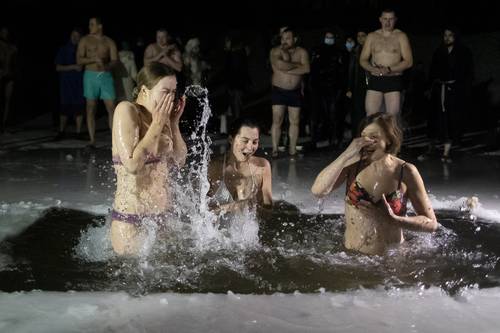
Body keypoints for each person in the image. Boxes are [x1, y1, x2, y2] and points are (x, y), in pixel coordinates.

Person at [311, 112, 437, 255]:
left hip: (391, 258)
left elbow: (431, 223)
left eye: (374, 137)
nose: (367, 142)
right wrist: (346, 154)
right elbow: (318, 191)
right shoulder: (352, 165)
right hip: (352, 258)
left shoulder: (405, 171)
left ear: (389, 139)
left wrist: (395, 220)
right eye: (364, 136)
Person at [110, 62, 187, 255]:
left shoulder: (163, 117)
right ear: (144, 90)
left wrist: (174, 124)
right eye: (165, 91)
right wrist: (158, 124)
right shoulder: (126, 110)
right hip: (131, 223)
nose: (171, 98)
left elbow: (179, 161)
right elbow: (133, 165)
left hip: (162, 221)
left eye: (174, 92)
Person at [426, 27, 473, 162]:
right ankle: (431, 148)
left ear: (455, 36)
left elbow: (468, 73)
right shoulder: (439, 52)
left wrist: (463, 90)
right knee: (435, 120)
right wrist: (430, 87)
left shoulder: (463, 52)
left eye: (450, 35)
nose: (447, 38)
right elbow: (432, 71)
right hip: (438, 90)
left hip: (455, 91)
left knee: (451, 120)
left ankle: (447, 152)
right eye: (445, 35)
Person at [208, 118, 272, 215]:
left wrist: (254, 205)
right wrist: (236, 206)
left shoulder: (262, 166)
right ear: (231, 139)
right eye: (245, 141)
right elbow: (201, 211)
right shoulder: (214, 167)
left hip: (251, 229)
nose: (250, 148)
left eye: (255, 142)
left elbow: (268, 208)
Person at [360, 9, 413, 116]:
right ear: (380, 20)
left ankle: (392, 133)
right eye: (385, 19)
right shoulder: (372, 36)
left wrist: (389, 69)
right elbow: (363, 60)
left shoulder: (401, 36)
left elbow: (409, 61)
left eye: (391, 19)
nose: (387, 22)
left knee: (392, 118)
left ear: (395, 20)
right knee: (371, 115)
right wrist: (373, 69)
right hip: (375, 79)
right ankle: (373, 133)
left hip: (393, 79)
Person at [77, 17, 118, 147]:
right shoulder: (85, 40)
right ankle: (92, 139)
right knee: (90, 108)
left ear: (99, 26)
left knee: (111, 107)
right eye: (89, 24)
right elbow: (79, 60)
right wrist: (93, 59)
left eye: (92, 24)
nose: (90, 26)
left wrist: (107, 66)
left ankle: (115, 140)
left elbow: (115, 60)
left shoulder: (109, 41)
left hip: (105, 76)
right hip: (90, 76)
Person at [270, 28, 310, 157]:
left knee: (295, 121)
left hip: (295, 92)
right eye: (282, 38)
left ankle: (292, 149)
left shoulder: (302, 52)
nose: (284, 41)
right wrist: (298, 65)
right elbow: (280, 65)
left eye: (288, 38)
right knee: (277, 120)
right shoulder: (275, 51)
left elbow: (306, 69)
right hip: (279, 91)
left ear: (295, 39)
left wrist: (288, 68)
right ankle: (275, 149)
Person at [54, 28, 85, 140]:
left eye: (77, 36)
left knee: (79, 107)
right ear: (70, 36)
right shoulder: (63, 49)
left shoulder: (82, 50)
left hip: (79, 83)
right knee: (64, 107)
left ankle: (78, 132)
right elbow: (57, 67)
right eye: (73, 35)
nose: (75, 38)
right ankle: (61, 131)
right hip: (66, 83)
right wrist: (73, 67)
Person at [346, 29, 368, 138]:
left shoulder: (371, 50)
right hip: (356, 86)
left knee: (367, 112)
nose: (360, 38)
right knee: (356, 113)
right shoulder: (355, 51)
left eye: (363, 35)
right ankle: (357, 136)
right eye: (358, 36)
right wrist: (349, 88)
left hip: (369, 86)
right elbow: (350, 71)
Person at [0, 27, 17, 133]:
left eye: (6, 32)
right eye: (3, 32)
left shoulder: (12, 46)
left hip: (9, 75)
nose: (4, 34)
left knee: (7, 99)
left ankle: (4, 123)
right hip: (1, 73)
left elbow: (15, 61)